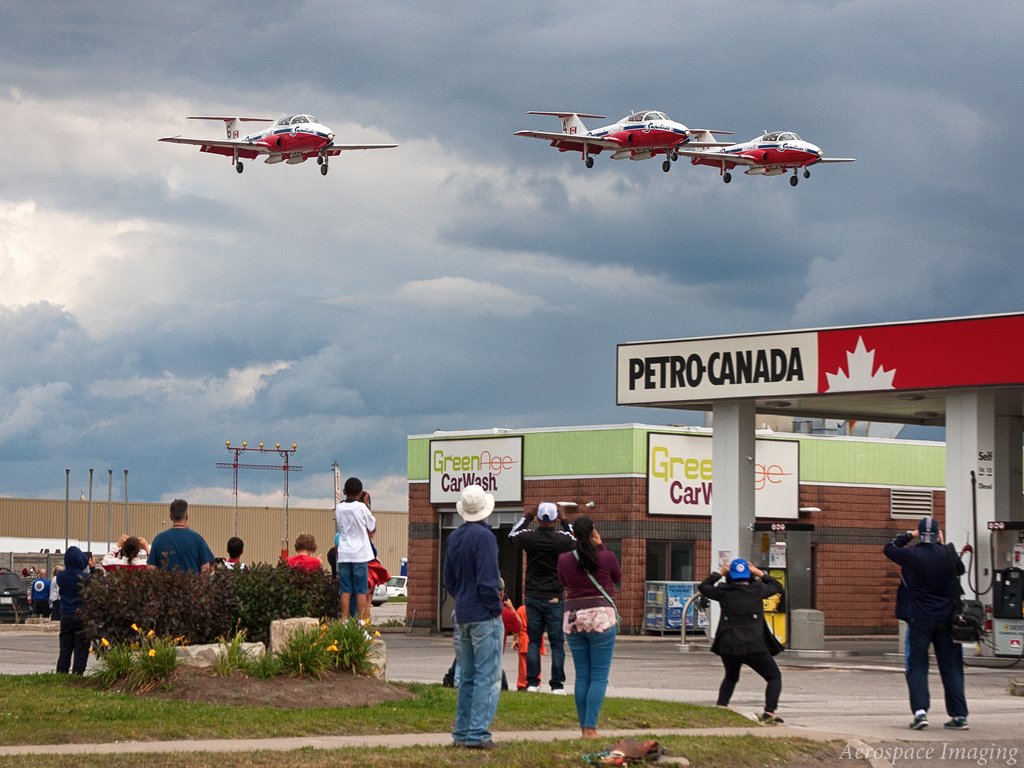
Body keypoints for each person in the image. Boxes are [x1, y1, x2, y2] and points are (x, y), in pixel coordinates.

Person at [884, 516, 969, 730]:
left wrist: (909, 535)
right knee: (951, 667)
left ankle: (921, 713)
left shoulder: (911, 555)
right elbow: (960, 569)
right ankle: (959, 715)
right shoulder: (948, 554)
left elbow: (889, 547)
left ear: (920, 534)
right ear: (939, 534)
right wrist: (942, 544)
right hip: (948, 619)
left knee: (917, 665)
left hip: (919, 619)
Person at [443, 484, 504, 750]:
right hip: (484, 614)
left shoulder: (454, 537)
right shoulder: (485, 537)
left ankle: (462, 733)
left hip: (463, 613)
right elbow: (488, 580)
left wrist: (463, 598)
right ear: (485, 510)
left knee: (466, 675)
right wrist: (495, 608)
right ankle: (477, 733)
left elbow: (449, 580)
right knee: (487, 677)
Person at [556, 515, 621, 739]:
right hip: (601, 617)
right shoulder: (607, 556)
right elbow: (617, 577)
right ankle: (590, 728)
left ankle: (584, 727)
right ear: (594, 531)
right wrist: (600, 545)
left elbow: (564, 582)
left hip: (573, 617)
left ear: (573, 534)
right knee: (599, 675)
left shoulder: (564, 559)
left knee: (582, 674)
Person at [699, 558, 786, 724]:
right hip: (753, 645)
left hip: (728, 645)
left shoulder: (723, 591)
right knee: (774, 676)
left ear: (729, 575)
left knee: (731, 676)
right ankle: (769, 712)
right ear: (748, 575)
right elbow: (777, 587)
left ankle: (721, 706)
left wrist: (719, 573)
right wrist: (760, 573)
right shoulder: (757, 589)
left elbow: (703, 587)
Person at [509, 501, 575, 694]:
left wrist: (527, 516)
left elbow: (512, 534)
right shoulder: (561, 539)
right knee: (556, 643)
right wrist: (565, 520)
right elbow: (577, 538)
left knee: (534, 641)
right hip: (554, 595)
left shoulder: (528, 538)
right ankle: (557, 685)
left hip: (532, 594)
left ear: (538, 517)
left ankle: (532, 683)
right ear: (555, 518)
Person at [335, 477, 377, 621]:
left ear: (345, 491)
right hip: (360, 554)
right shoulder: (361, 508)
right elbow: (371, 526)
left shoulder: (339, 508)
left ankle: (344, 621)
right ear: (360, 493)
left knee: (345, 590)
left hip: (344, 552)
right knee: (361, 590)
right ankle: (361, 622)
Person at [147, 499, 215, 573]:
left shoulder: (159, 539)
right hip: (192, 583)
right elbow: (206, 567)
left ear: (170, 516)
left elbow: (151, 568)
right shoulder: (197, 539)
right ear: (186, 516)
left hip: (166, 583)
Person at [55, 547, 91, 674]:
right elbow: (98, 582)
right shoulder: (86, 578)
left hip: (65, 615)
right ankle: (77, 673)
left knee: (65, 648)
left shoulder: (60, 577)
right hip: (81, 615)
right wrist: (90, 566)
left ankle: (61, 672)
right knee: (81, 648)